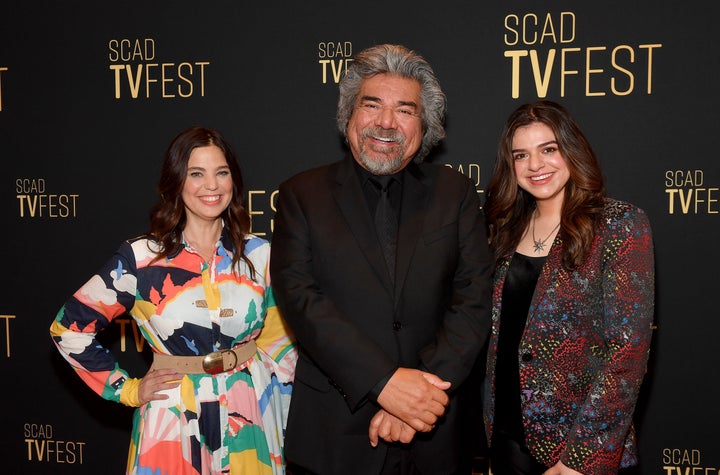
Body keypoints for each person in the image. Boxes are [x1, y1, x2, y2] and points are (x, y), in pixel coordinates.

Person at [269, 43, 493, 475]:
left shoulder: (457, 194)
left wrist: (417, 400)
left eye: (405, 110)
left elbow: (474, 299)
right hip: (334, 434)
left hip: (437, 429)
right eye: (372, 105)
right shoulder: (302, 195)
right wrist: (385, 383)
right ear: (348, 116)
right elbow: (301, 299)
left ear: (423, 125)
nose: (386, 122)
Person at [50, 126, 297, 475]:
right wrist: (128, 390)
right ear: (176, 182)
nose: (211, 186)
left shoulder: (260, 255)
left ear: (234, 181)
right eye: (196, 174)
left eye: (221, 173)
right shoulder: (140, 258)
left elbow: (280, 346)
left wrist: (281, 420)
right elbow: (68, 329)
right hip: (172, 419)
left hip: (250, 416)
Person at [482, 101, 655, 475]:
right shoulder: (503, 231)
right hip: (507, 440)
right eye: (521, 155)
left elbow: (627, 353)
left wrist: (580, 460)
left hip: (578, 449)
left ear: (571, 150)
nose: (535, 165)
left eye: (548, 149)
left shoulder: (618, 224)